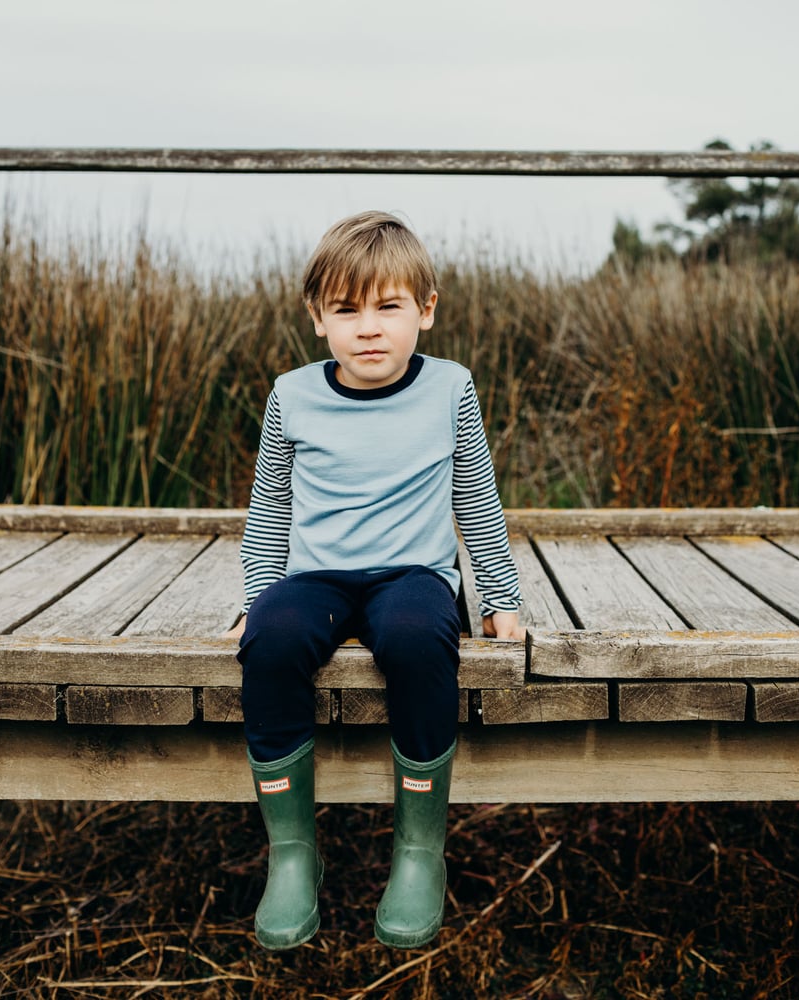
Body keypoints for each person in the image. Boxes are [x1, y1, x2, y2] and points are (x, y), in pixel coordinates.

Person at [226, 210, 524, 951]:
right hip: (317, 577)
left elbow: (475, 499)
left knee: (419, 639)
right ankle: (294, 852)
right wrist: (256, 597)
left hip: (413, 575)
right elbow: (269, 508)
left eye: (388, 307)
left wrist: (502, 598)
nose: (368, 328)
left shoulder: (450, 388)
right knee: (270, 639)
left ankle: (419, 852)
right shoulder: (291, 395)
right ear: (316, 318)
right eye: (346, 309)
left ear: (425, 311)